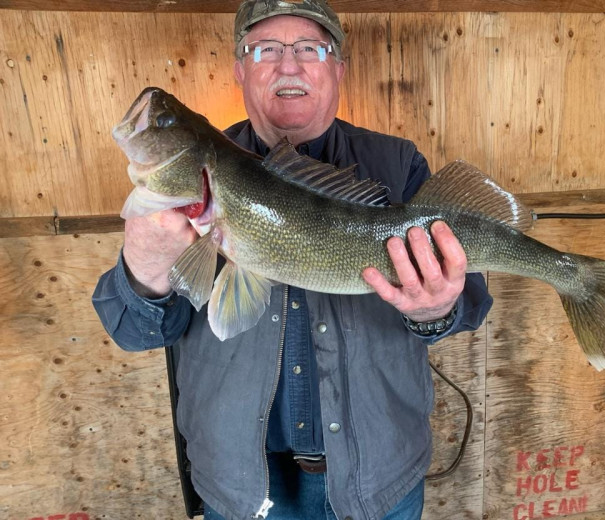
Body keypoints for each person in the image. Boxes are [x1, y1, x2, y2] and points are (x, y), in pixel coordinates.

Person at [92, 0, 493, 519]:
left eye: (310, 48)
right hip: (243, 485)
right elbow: (134, 331)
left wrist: (434, 311)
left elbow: (471, 301)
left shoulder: (397, 165)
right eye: (265, 50)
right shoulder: (183, 200)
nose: (289, 65)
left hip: (378, 479)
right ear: (240, 69)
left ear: (337, 68)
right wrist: (144, 272)